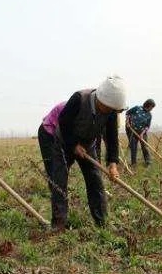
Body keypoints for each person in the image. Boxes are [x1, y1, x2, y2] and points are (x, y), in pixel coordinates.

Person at [50, 75, 126, 231]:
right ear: (100, 100)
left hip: (88, 145)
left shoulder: (110, 112)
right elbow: (63, 122)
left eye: (113, 110)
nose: (109, 112)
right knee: (59, 181)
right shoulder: (79, 99)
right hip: (64, 142)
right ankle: (59, 224)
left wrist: (113, 163)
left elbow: (112, 137)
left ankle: (102, 222)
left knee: (95, 181)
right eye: (108, 108)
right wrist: (73, 145)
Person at [125, 99, 156, 166]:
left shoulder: (149, 115)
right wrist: (127, 122)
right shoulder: (137, 108)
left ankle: (148, 162)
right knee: (133, 147)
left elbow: (147, 126)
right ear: (148, 105)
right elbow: (128, 113)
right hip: (132, 130)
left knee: (145, 146)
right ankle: (134, 163)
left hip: (142, 132)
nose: (152, 109)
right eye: (151, 107)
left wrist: (142, 134)